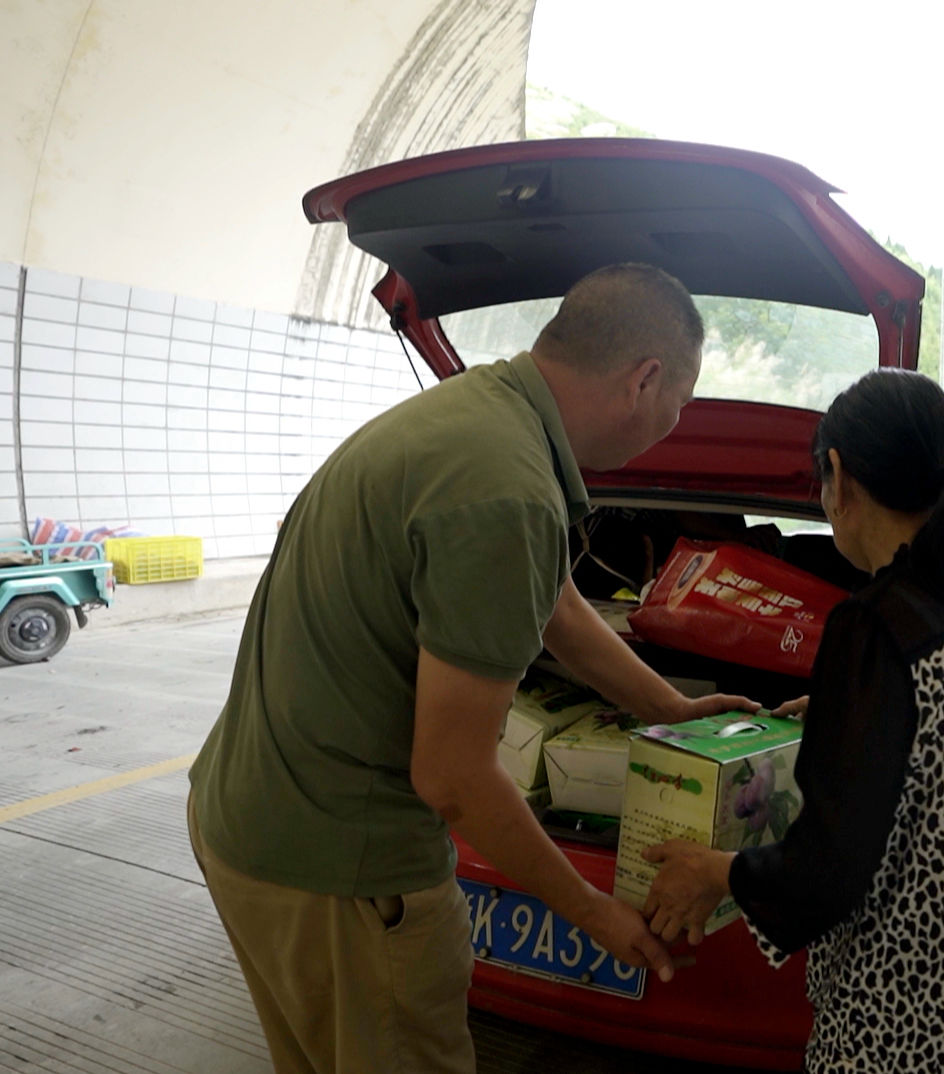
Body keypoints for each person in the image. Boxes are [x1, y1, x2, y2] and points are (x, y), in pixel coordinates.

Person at [186, 263, 757, 1074]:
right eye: (682, 402)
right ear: (646, 379)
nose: (676, 420)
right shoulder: (507, 489)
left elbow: (556, 606)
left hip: (250, 821)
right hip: (344, 869)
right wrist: (590, 912)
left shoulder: (482, 416)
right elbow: (452, 777)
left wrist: (671, 711)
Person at [642, 370, 944, 1074]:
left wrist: (711, 871)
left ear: (836, 474)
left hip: (903, 1013)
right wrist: (855, 715)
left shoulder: (877, 624)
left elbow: (826, 871)